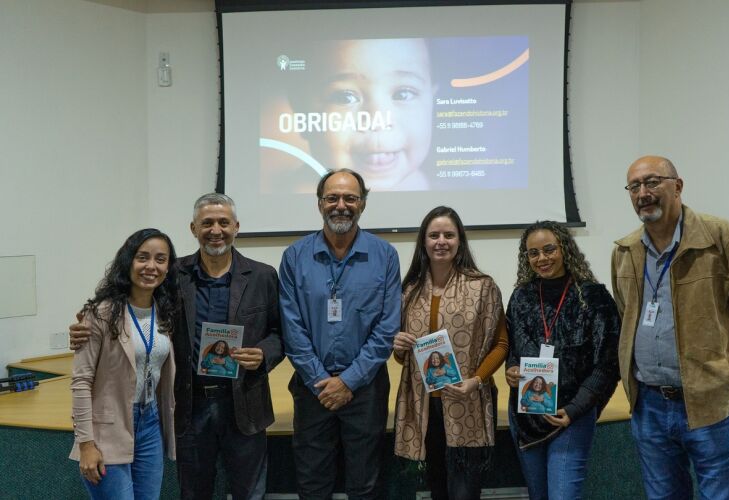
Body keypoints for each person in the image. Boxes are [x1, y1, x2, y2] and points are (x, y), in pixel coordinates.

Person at [70, 193, 283, 500]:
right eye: (206, 223)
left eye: (224, 222)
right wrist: (83, 329)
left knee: (250, 494)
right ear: (193, 228)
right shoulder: (172, 276)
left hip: (245, 404)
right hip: (188, 406)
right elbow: (128, 308)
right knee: (193, 492)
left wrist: (264, 353)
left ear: (236, 226)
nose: (216, 230)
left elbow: (279, 333)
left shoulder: (263, 276)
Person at [611, 156, 729, 500]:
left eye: (652, 182)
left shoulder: (723, 238)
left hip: (713, 404)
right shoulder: (625, 251)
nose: (643, 193)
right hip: (649, 405)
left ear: (678, 186)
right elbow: (625, 314)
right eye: (634, 186)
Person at [279, 168, 401, 499]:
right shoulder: (294, 257)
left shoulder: (385, 256)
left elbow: (387, 327)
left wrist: (348, 381)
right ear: (320, 204)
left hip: (366, 390)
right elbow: (292, 327)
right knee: (312, 483)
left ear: (362, 203)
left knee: (366, 484)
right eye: (332, 198)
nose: (341, 205)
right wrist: (322, 380)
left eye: (350, 198)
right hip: (312, 388)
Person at [393, 205, 508, 500]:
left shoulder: (482, 287)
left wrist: (477, 380)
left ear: (460, 241)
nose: (440, 241)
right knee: (437, 489)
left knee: (464, 492)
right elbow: (403, 357)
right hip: (425, 407)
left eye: (448, 234)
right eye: (433, 235)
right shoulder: (409, 290)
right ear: (423, 242)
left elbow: (501, 345)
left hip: (467, 398)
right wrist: (398, 347)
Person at [505, 221, 621, 500]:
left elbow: (608, 362)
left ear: (565, 249)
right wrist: (511, 368)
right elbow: (512, 348)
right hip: (527, 416)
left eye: (548, 250)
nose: (542, 259)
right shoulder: (521, 297)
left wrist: (575, 408)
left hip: (571, 415)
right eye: (533, 253)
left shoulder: (594, 297)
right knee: (538, 496)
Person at [69, 228, 179, 499]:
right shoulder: (101, 313)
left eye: (160, 259)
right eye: (142, 257)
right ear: (128, 261)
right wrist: (86, 444)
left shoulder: (166, 311)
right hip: (108, 426)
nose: (151, 266)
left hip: (151, 423)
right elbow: (81, 382)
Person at [284, 38, 436, 191]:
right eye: (345, 97)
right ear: (300, 111)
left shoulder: (427, 185)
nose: (378, 122)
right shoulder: (298, 195)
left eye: (403, 94)